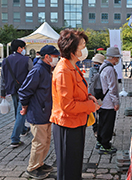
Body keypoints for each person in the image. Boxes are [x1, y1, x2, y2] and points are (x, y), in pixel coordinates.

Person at [50, 29, 100, 180]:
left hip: (77, 122)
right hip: (67, 124)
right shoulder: (63, 70)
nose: (85, 48)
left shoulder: (73, 66)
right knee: (68, 169)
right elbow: (68, 106)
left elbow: (77, 91)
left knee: (74, 164)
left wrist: (89, 97)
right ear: (72, 48)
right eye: (82, 45)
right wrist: (91, 107)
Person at [18, 45, 60, 179]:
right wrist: (24, 106)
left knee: (46, 141)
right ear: (46, 57)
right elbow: (24, 91)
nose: (56, 59)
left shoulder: (47, 69)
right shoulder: (38, 70)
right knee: (39, 141)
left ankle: (39, 163)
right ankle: (32, 168)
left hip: (46, 111)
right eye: (54, 57)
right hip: (38, 112)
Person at [0, 39, 32, 147]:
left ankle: (23, 129)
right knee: (21, 112)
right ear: (19, 48)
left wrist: (2, 92)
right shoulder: (27, 60)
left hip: (12, 90)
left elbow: (3, 78)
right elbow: (32, 76)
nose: (23, 49)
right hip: (25, 91)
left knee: (18, 112)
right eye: (23, 47)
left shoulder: (5, 60)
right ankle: (14, 138)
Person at [97, 47, 121, 155]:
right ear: (114, 58)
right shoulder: (110, 69)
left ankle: (100, 141)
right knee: (108, 125)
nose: (118, 60)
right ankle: (105, 146)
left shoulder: (103, 66)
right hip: (108, 102)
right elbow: (113, 88)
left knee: (102, 122)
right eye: (117, 58)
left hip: (102, 100)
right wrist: (116, 102)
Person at [88, 54, 105, 138]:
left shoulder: (104, 70)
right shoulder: (92, 70)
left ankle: (102, 129)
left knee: (101, 112)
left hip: (101, 94)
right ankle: (96, 130)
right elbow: (91, 83)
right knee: (94, 112)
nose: (95, 63)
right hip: (94, 93)